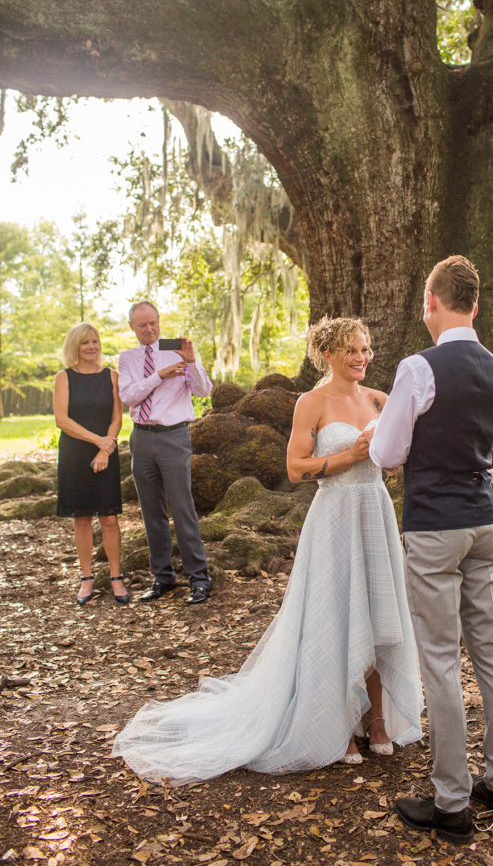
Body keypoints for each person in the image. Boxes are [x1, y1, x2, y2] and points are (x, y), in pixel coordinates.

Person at [112, 316, 423, 784]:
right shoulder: (311, 403)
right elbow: (296, 468)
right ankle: (335, 725)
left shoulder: (380, 400)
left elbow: (394, 465)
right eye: (353, 351)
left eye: (367, 350)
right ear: (329, 355)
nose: (362, 358)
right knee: (333, 618)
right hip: (334, 516)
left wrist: (389, 458)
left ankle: (376, 718)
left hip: (375, 513)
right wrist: (349, 456)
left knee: (379, 613)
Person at [369, 255, 493, 846]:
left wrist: (385, 429)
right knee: (492, 650)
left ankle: (452, 801)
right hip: (485, 524)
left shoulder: (418, 368)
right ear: (475, 306)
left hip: (433, 526)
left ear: (430, 302)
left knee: (440, 659)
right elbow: (484, 441)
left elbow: (387, 454)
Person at [118, 301, 212, 606]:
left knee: (182, 508)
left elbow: (203, 391)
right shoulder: (128, 359)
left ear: (159, 322)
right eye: (143, 325)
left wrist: (192, 361)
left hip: (173, 437)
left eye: (154, 323)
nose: (150, 329)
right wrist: (159, 374)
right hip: (141, 439)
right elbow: (129, 396)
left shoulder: (176, 350)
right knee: (151, 511)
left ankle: (199, 578)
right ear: (132, 326)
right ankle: (162, 577)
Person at [54, 323, 127, 606]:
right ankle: (86, 578)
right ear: (75, 346)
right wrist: (99, 442)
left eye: (95, 341)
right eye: (85, 342)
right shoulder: (64, 377)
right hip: (74, 454)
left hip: (106, 452)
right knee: (82, 518)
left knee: (109, 518)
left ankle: (116, 577)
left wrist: (106, 449)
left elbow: (117, 418)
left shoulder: (112, 376)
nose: (91, 346)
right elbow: (62, 420)